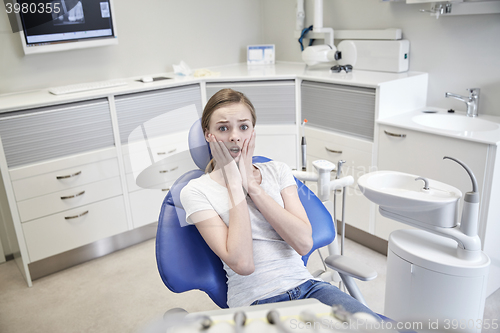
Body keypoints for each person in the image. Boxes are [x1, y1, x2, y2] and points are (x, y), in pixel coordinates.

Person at [180, 88, 379, 318]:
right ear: (208, 134)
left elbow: (304, 243)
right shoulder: (195, 191)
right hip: (256, 302)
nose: (235, 136)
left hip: (310, 288)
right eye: (223, 128)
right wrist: (235, 185)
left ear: (253, 131)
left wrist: (253, 187)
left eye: (243, 127)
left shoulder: (277, 171)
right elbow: (243, 264)